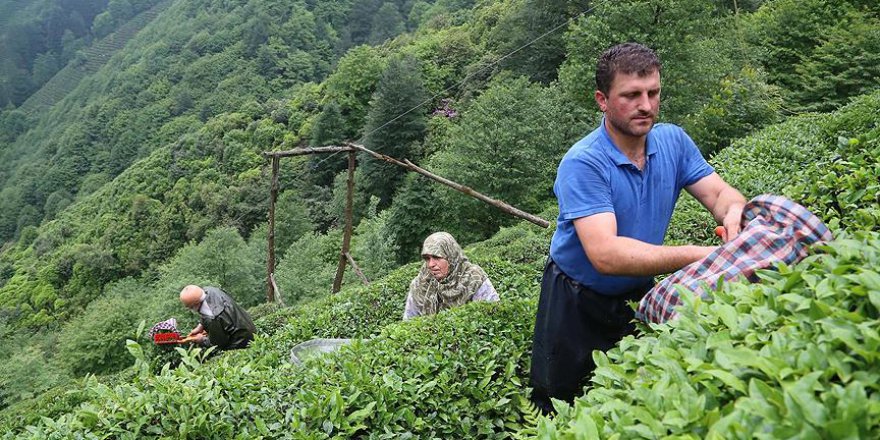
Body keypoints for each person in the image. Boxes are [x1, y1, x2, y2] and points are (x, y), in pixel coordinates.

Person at [529, 42, 746, 412]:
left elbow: (720, 195)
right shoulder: (584, 163)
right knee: (560, 399)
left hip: (637, 288)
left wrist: (734, 217)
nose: (645, 105)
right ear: (602, 100)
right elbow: (606, 254)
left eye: (653, 93)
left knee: (636, 391)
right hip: (576, 299)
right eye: (631, 95)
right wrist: (702, 256)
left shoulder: (673, 141)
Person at [403, 232, 499, 320]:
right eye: (427, 258)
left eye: (436, 257)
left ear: (450, 256)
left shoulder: (474, 278)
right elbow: (408, 323)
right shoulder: (421, 283)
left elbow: (493, 316)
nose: (431, 264)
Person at [179, 284, 257, 350]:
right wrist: (200, 326)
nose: (189, 309)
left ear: (195, 304)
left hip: (242, 340)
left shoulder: (213, 317)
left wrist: (201, 340)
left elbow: (217, 344)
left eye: (190, 307)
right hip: (247, 325)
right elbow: (204, 311)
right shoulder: (209, 290)